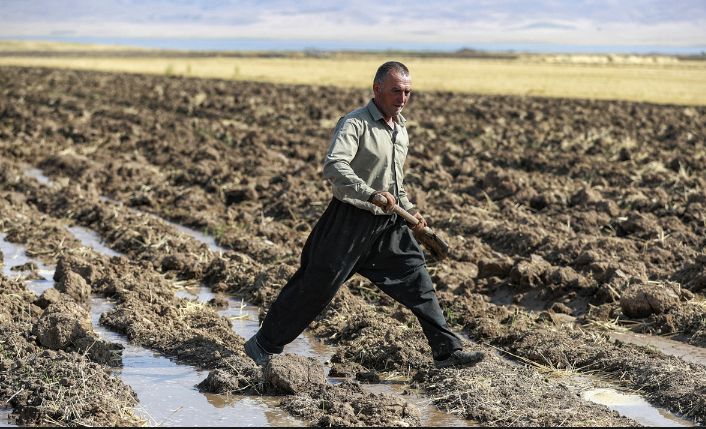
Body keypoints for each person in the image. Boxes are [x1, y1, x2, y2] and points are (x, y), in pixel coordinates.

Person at [244, 61, 485, 369]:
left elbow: (394, 183)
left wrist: (410, 210)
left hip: (388, 224)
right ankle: (262, 344)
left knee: (418, 281)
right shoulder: (355, 124)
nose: (402, 98)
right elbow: (335, 166)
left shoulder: (400, 130)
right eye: (396, 91)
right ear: (377, 89)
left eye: (407, 92)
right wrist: (369, 193)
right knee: (315, 287)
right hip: (348, 221)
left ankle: (447, 351)